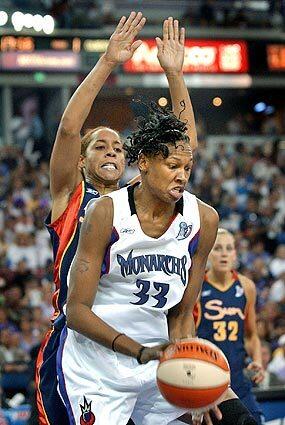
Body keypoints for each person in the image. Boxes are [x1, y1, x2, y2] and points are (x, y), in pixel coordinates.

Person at [36, 12, 198, 425]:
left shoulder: (138, 201)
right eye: (100, 147)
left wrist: (175, 74)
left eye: (118, 148)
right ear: (83, 161)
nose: (111, 151)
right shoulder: (72, 197)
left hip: (142, 346)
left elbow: (181, 149)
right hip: (82, 345)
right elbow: (69, 130)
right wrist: (107, 62)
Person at [61, 98, 258, 425]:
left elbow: (182, 314)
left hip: (160, 358)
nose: (182, 176)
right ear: (145, 163)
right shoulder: (106, 212)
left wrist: (192, 377)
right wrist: (137, 350)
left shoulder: (204, 219)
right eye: (172, 166)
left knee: (238, 420)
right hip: (98, 366)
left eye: (187, 168)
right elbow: (77, 311)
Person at [195, 228, 265, 424]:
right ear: (208, 253)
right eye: (217, 248)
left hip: (240, 382)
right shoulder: (197, 287)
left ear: (235, 253)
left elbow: (251, 335)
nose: (224, 253)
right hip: (209, 382)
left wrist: (257, 361)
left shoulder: (246, 286)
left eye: (228, 248)